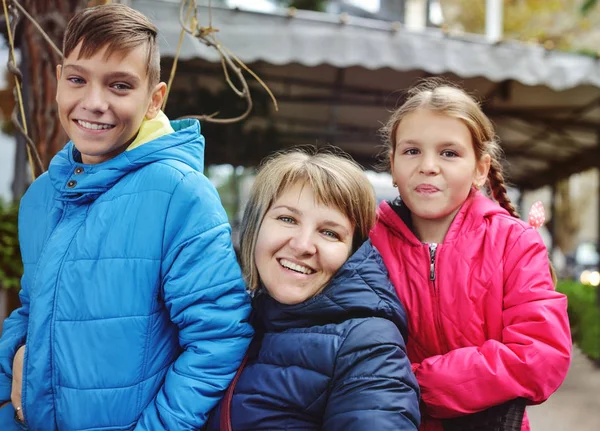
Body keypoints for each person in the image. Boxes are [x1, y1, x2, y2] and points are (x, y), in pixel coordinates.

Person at [0, 4, 253, 430]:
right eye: (78, 79)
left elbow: (219, 338)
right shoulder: (41, 195)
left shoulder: (182, 196)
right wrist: (13, 372)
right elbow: (31, 307)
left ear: (155, 100)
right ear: (59, 80)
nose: (93, 103)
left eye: (119, 85)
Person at [370, 79, 572, 431]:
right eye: (412, 151)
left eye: (449, 153)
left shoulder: (515, 242)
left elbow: (541, 355)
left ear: (480, 169)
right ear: (392, 163)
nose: (428, 166)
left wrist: (415, 383)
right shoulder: (366, 241)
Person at [206, 148, 421, 431]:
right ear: (255, 227)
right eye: (287, 219)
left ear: (353, 252)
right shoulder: (228, 318)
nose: (302, 245)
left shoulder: (368, 345)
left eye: (329, 233)